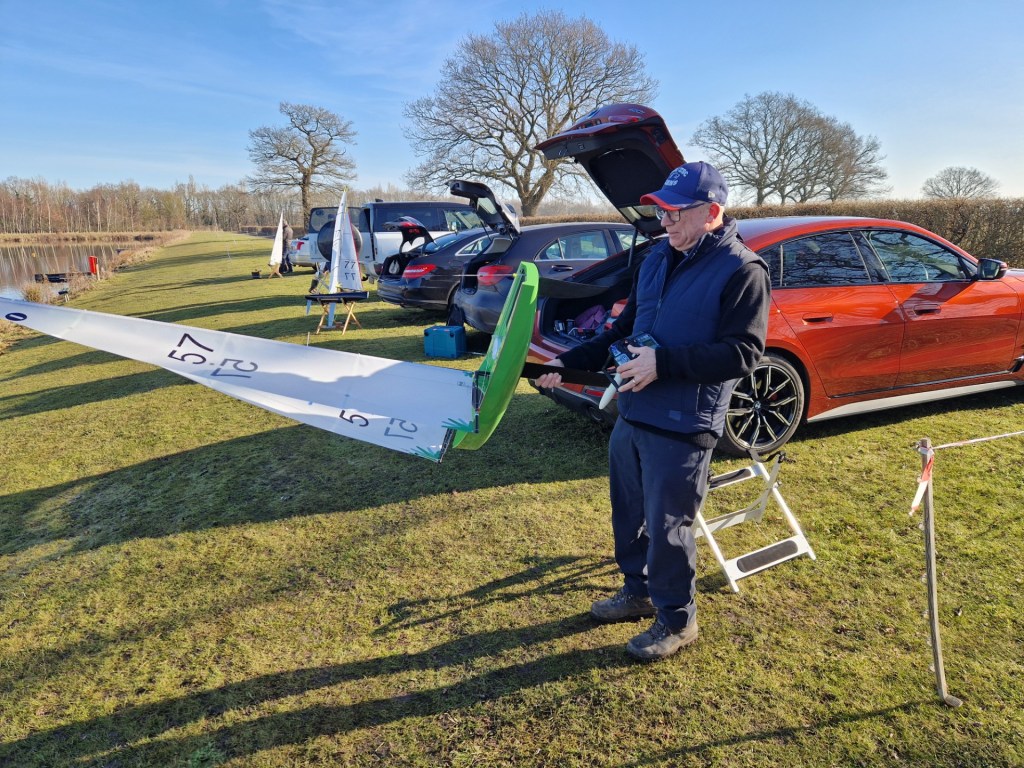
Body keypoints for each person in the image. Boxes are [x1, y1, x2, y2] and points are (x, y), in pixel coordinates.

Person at [535, 161, 770, 661]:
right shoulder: (658, 257)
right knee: (629, 515)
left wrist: (663, 364)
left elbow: (744, 353)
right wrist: (569, 362)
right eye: (660, 211)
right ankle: (637, 592)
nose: (663, 221)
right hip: (635, 409)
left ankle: (677, 620)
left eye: (674, 213)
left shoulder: (743, 270)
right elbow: (625, 329)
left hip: (685, 421)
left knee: (669, 528)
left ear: (712, 212)